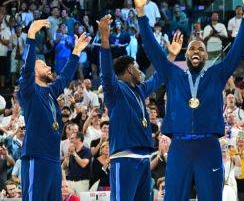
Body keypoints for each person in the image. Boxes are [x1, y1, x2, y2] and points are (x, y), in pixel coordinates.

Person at [135, 0, 244, 201]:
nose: (196, 50)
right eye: (191, 48)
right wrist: (141, 12)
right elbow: (151, 49)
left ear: (206, 55)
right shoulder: (172, 74)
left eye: (200, 48)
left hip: (209, 146)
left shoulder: (216, 75)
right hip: (179, 145)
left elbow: (237, 50)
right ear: (186, 54)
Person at [98, 14, 182, 200]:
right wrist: (105, 39)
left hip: (144, 159)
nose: (141, 72)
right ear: (129, 70)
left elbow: (159, 77)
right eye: (137, 68)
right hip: (124, 158)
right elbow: (105, 73)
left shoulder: (139, 90)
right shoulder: (116, 90)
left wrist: (172, 56)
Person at [17, 19, 90, 200]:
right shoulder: (28, 91)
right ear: (32, 71)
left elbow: (64, 77)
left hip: (53, 159)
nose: (49, 67)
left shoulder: (49, 92)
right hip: (36, 156)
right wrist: (31, 36)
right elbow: (27, 67)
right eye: (43, 65)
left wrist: (76, 52)